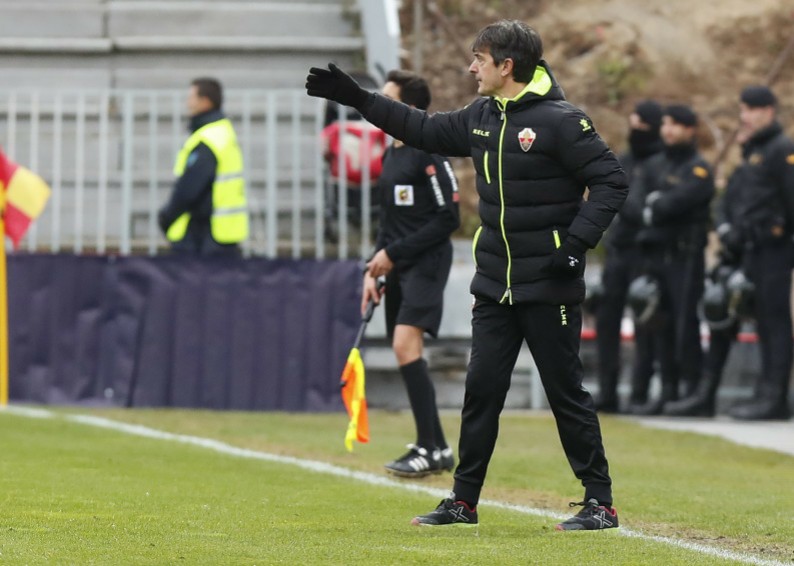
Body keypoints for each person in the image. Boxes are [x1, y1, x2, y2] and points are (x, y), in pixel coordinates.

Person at [307, 19, 628, 530]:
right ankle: (463, 502)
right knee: (481, 391)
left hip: (549, 283)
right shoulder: (481, 115)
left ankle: (600, 502)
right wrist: (358, 97)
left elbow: (612, 181)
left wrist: (573, 246)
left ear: (507, 66)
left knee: (566, 391)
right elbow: (421, 128)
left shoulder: (562, 121)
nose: (470, 67)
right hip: (494, 284)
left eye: (479, 59)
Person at [666, 86, 794, 420]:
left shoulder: (782, 150)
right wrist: (724, 229)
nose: (745, 117)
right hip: (742, 252)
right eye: (743, 110)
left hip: (772, 250)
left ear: (768, 111)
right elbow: (728, 203)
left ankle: (772, 397)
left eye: (751, 110)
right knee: (720, 313)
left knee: (772, 323)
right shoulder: (751, 155)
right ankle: (706, 394)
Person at [362, 70, 461, 477]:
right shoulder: (391, 153)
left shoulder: (429, 150)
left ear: (413, 108)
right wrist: (375, 266)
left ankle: (428, 445)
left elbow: (448, 217)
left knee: (405, 344)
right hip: (397, 264)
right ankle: (436, 448)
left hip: (426, 263)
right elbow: (388, 222)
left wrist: (394, 253)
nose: (381, 108)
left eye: (390, 100)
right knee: (404, 349)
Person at [628, 105, 715, 415]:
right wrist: (656, 206)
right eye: (666, 123)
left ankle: (691, 390)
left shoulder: (698, 168)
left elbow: (681, 200)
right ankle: (668, 389)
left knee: (684, 324)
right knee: (658, 324)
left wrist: (659, 204)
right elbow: (636, 201)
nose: (668, 130)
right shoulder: (653, 165)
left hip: (685, 257)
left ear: (690, 130)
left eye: (676, 124)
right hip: (655, 255)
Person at [594, 101, 664, 413]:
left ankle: (639, 392)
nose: (636, 131)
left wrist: (625, 201)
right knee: (607, 323)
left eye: (641, 125)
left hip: (644, 254)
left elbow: (638, 207)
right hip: (619, 250)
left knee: (644, 326)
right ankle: (607, 392)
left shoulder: (661, 164)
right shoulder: (624, 160)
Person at [158, 77, 248, 256]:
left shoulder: (209, 138)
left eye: (191, 98)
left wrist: (166, 217)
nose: (187, 103)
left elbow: (189, 188)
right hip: (221, 235)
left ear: (205, 101)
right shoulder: (222, 132)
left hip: (203, 237)